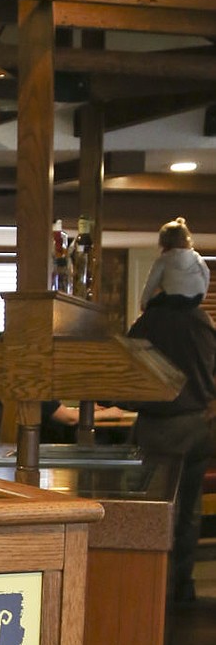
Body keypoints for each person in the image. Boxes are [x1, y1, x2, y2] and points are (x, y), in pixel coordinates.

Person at [125, 295, 216, 602]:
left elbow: (125, 375)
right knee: (189, 509)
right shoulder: (203, 321)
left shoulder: (149, 323)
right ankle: (183, 582)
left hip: (158, 429)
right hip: (197, 426)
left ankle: (155, 583)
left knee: (156, 510)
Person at [139, 217, 210, 310]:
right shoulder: (196, 257)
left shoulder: (163, 260)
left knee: (154, 304)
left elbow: (151, 283)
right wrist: (202, 294)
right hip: (196, 298)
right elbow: (206, 274)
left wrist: (144, 303)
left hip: (173, 298)